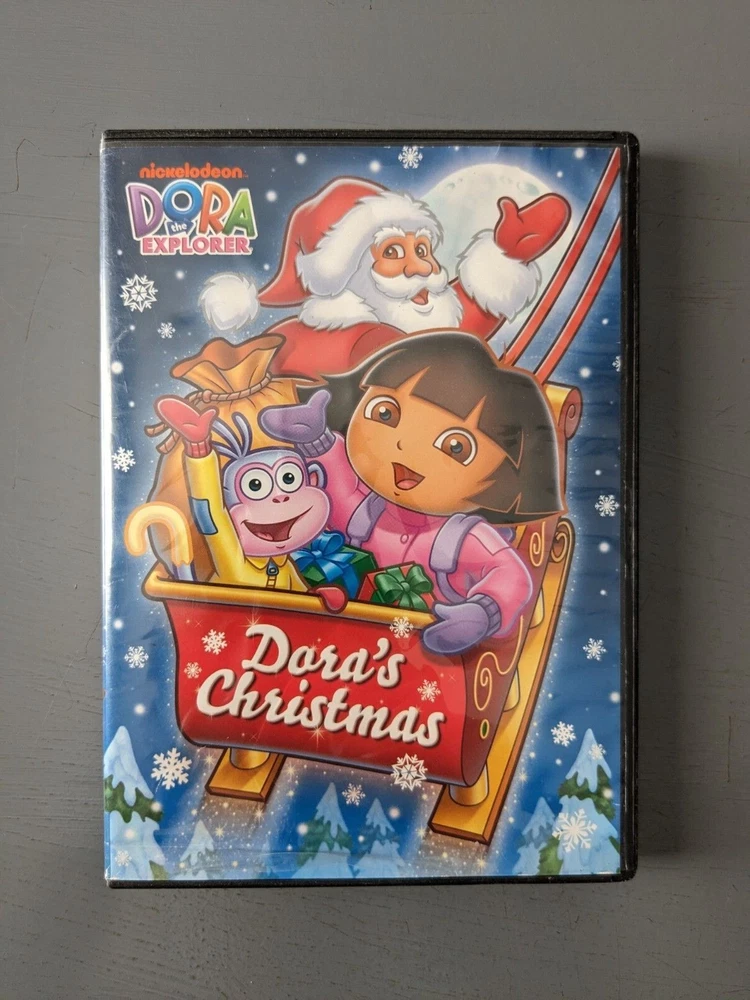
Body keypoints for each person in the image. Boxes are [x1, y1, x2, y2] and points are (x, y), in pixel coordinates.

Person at [259, 332, 564, 655]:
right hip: (342, 649)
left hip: (421, 662)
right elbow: (339, 496)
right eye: (385, 413)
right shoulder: (367, 514)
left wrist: (484, 611)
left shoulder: (463, 539)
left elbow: (511, 575)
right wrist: (317, 442)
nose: (406, 447)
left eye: (456, 447)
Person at [200, 177, 570, 378]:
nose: (420, 268)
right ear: (347, 273)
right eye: (393, 252)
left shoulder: (426, 315)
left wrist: (506, 253)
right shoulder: (306, 338)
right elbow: (248, 370)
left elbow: (465, 318)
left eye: (422, 249)